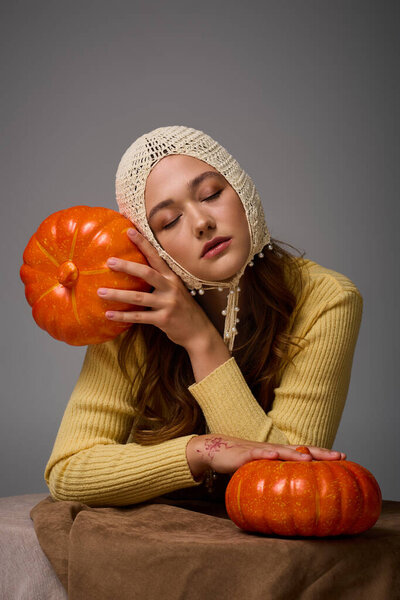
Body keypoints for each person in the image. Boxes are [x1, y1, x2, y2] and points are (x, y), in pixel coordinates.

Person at [44, 125, 363, 506]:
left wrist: (200, 340)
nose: (201, 222)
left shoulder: (327, 299)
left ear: (242, 190)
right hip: (158, 542)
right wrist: (202, 451)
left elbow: (289, 487)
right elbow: (68, 471)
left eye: (211, 194)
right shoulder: (130, 310)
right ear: (151, 244)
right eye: (169, 221)